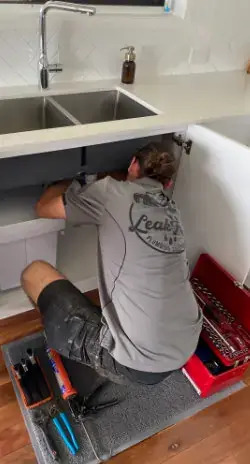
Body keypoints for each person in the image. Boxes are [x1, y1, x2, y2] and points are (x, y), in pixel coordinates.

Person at [21, 143, 202, 386]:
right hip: (187, 341)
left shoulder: (108, 192)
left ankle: (57, 331)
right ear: (167, 184)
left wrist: (67, 179)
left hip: (138, 363)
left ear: (132, 164)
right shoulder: (171, 210)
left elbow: (44, 207)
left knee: (34, 273)